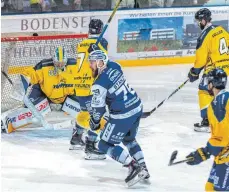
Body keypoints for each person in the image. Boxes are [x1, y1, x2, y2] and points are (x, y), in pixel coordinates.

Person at [87, 49, 150, 186]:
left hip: (123, 114)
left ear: (100, 63)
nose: (90, 66)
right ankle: (143, 167)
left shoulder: (99, 83)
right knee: (129, 139)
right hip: (137, 106)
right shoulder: (115, 66)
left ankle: (133, 166)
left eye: (92, 63)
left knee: (103, 144)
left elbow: (98, 109)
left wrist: (94, 122)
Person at [1, 46, 77, 133]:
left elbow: (87, 76)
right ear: (53, 60)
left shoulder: (74, 66)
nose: (60, 66)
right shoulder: (44, 66)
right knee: (30, 112)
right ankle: (7, 123)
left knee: (86, 108)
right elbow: (30, 74)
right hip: (44, 93)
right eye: (57, 63)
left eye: (62, 63)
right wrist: (22, 84)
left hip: (67, 96)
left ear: (66, 61)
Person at [68, 19, 109, 160]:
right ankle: (90, 147)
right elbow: (103, 63)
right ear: (101, 29)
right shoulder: (102, 43)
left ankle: (76, 138)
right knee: (97, 116)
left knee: (85, 112)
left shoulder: (81, 43)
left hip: (78, 84)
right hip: (91, 86)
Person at [186, 68, 229, 191]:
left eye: (208, 81)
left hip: (226, 154)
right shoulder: (224, 98)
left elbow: (223, 135)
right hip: (223, 152)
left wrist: (206, 151)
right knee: (209, 187)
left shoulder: (218, 103)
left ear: (212, 83)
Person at [187, 8, 229, 132]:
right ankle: (219, 118)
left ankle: (207, 121)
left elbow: (200, 59)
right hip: (226, 67)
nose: (198, 24)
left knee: (204, 91)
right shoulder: (222, 30)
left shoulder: (205, 35)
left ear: (204, 20)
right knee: (217, 92)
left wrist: (194, 72)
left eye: (199, 21)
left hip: (213, 69)